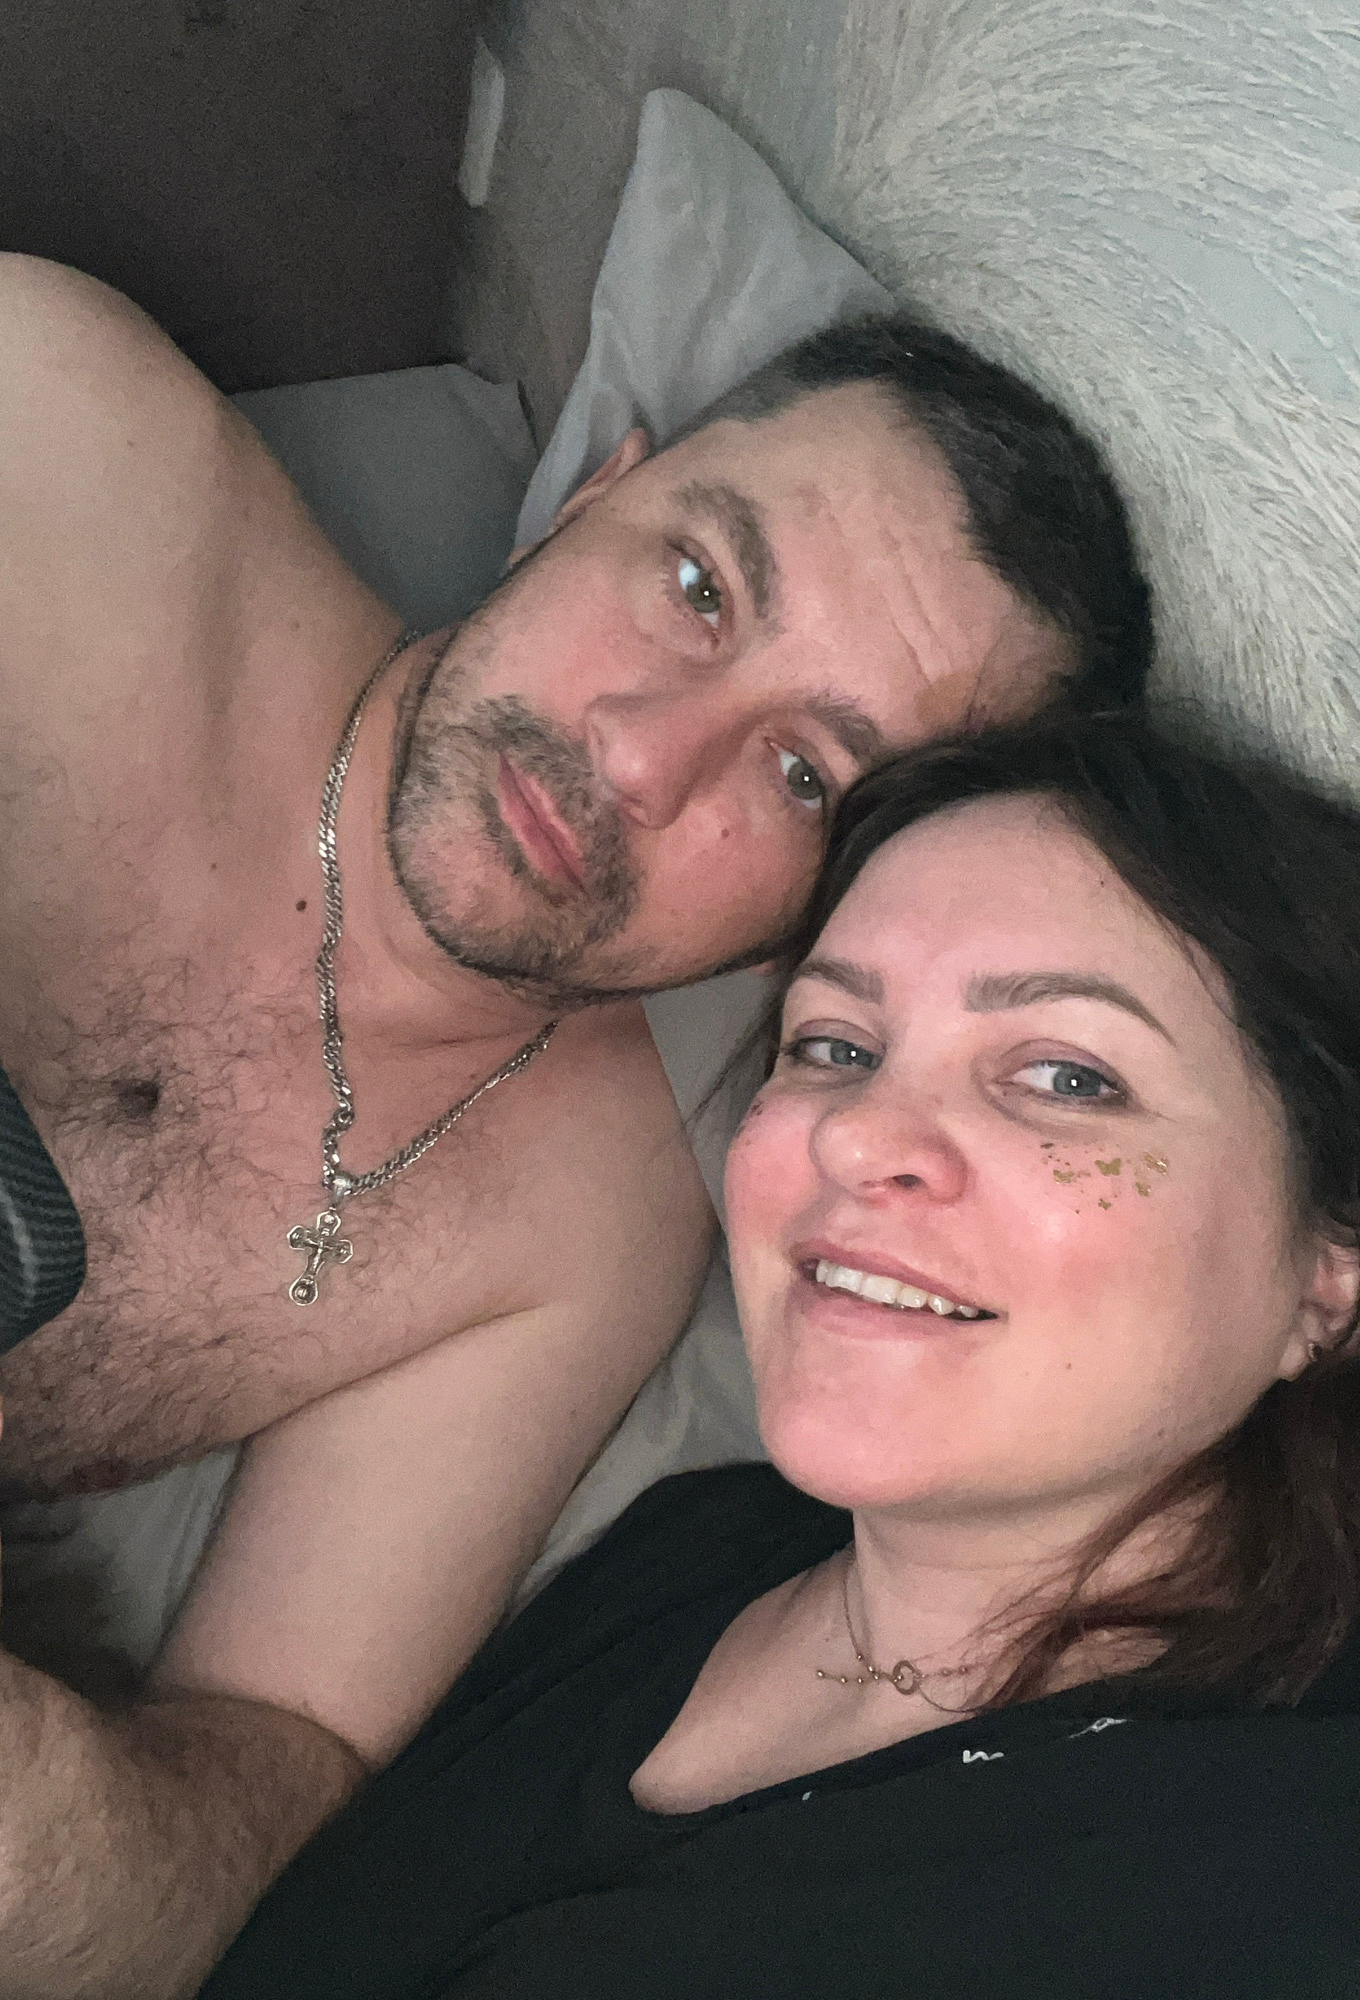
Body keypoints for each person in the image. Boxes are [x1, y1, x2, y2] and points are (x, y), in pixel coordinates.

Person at [0, 254, 1148, 1996]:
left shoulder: (579, 1234)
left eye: (804, 778)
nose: (642, 757)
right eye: (697, 584)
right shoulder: (33, 425)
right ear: (601, 489)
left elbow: (258, 1800)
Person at [194, 712, 1360, 1999]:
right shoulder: (687, 1550)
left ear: (1329, 1271)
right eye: (833, 1046)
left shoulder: (1288, 1865)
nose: (856, 1134)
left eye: (1066, 1077)